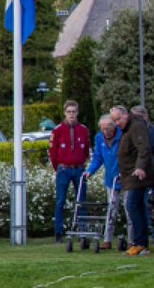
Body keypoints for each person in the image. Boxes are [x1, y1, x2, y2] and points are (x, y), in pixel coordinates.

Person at [111, 105, 154, 256]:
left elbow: (144, 148)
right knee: (137, 207)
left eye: (118, 119)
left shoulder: (136, 126)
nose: (116, 123)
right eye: (114, 120)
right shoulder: (128, 128)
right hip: (131, 175)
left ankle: (139, 243)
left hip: (137, 175)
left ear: (126, 115)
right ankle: (141, 244)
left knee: (132, 206)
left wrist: (140, 167)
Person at [50, 100, 91, 243]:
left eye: (74, 112)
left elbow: (86, 150)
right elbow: (53, 152)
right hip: (64, 169)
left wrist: (84, 163)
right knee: (60, 201)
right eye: (69, 112)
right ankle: (58, 232)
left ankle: (82, 231)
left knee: (81, 201)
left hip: (79, 169)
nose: (71, 114)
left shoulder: (83, 130)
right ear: (65, 113)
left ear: (77, 113)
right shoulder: (58, 130)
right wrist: (57, 168)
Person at [84, 114, 121, 250]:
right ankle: (107, 239)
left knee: (130, 211)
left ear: (114, 127)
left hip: (125, 177)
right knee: (111, 209)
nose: (106, 131)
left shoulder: (122, 136)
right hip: (111, 179)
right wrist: (90, 171)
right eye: (103, 129)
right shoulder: (99, 137)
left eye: (108, 128)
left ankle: (133, 240)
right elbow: (98, 157)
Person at [130, 105, 154, 245]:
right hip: (138, 174)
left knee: (147, 203)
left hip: (148, 174)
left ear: (145, 116)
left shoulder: (152, 132)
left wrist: (148, 167)